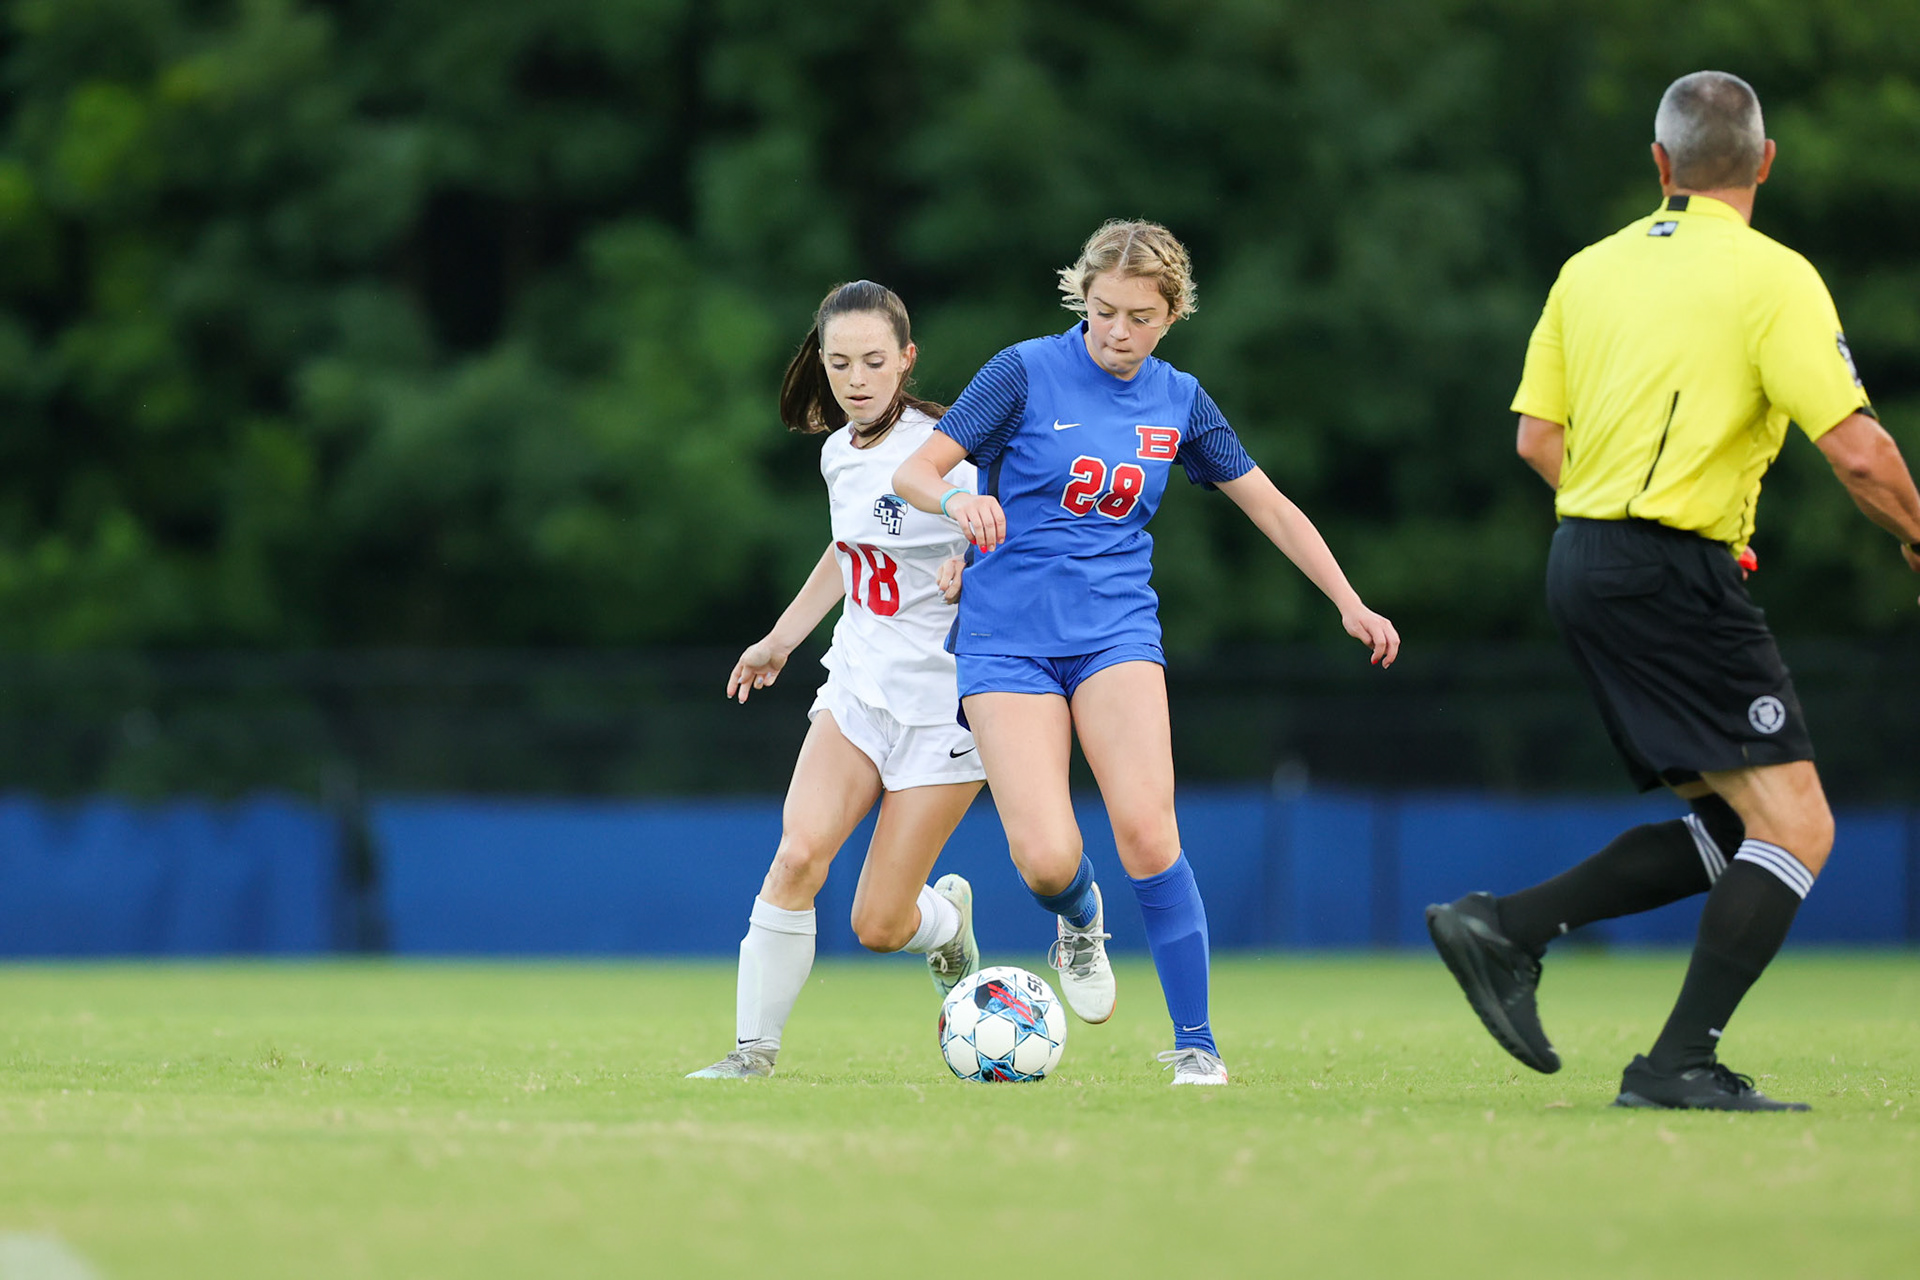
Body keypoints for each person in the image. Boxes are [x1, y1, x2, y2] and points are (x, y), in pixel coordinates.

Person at [1426, 71, 1920, 1111]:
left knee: (1740, 828)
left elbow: (1535, 438)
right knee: (1801, 826)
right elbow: (1862, 453)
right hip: (1667, 569)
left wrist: (1616, 517)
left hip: (1585, 562)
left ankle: (1504, 926)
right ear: (1766, 162)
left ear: (1660, 165)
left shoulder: (1588, 268)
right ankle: (1675, 1062)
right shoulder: (1774, 275)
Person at [893, 220, 1400, 1086]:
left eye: (1138, 316)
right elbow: (915, 471)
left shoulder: (1181, 400)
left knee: (1147, 830)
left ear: (1173, 314)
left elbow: (1270, 505)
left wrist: (1348, 600)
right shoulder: (1021, 371)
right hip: (1004, 641)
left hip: (1116, 634)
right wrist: (955, 502)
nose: (1117, 332)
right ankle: (1079, 917)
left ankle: (1196, 1044)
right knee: (1046, 860)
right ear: (1080, 300)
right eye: (1101, 313)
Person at [688, 281, 989, 1080]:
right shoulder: (835, 452)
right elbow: (847, 551)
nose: (856, 379)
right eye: (839, 363)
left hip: (945, 714)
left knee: (880, 925)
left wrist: (972, 556)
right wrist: (783, 638)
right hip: (857, 689)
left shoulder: (944, 449)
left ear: (907, 360)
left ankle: (945, 920)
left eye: (874, 362)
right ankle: (752, 1052)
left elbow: (986, 520)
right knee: (797, 856)